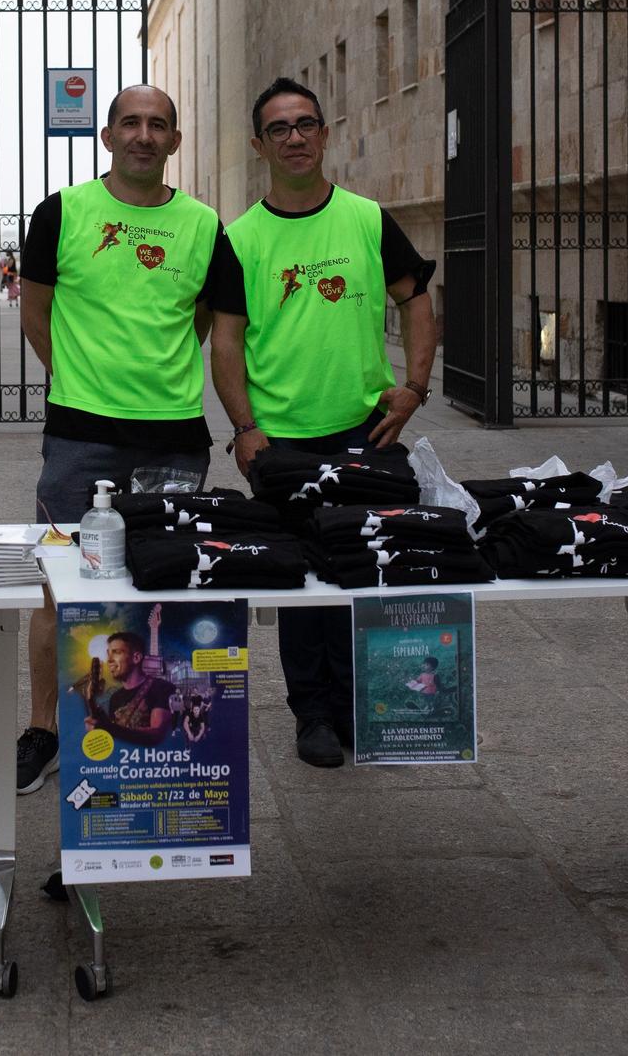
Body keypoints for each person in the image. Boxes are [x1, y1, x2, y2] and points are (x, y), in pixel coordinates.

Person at [208, 75, 440, 768]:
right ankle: (312, 713)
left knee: (365, 570)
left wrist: (415, 388)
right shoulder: (241, 238)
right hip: (283, 443)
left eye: (305, 123)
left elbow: (416, 298)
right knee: (303, 581)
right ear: (260, 144)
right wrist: (245, 427)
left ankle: (357, 707)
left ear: (326, 132)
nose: (295, 137)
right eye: (279, 128)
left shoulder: (367, 219)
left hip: (363, 431)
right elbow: (226, 341)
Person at [13, 84, 238, 793]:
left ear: (175, 141)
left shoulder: (204, 226)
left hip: (173, 441)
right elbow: (36, 311)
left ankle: (137, 720)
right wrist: (83, 382)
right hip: (80, 437)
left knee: (156, 586)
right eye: (131, 123)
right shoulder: (63, 213)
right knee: (59, 589)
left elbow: (203, 323)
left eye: (159, 125)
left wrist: (153, 383)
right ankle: (45, 729)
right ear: (107, 136)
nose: (144, 135)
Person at [79, 631, 176, 746]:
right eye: (108, 653)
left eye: (116, 652)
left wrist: (110, 728)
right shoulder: (115, 698)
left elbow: (156, 735)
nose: (109, 660)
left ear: (136, 658)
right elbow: (116, 740)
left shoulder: (162, 687)